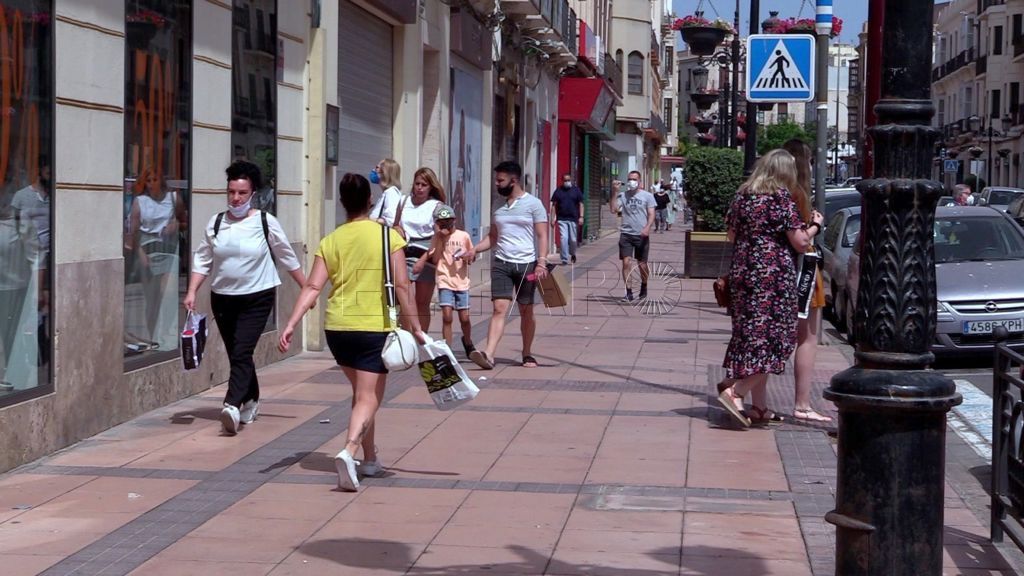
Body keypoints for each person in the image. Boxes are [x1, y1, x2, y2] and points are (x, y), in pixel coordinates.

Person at [279, 173, 425, 492]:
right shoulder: (389, 237)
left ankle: (370, 458)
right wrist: (415, 327)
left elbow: (314, 285)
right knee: (368, 396)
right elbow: (402, 285)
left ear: (343, 204)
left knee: (363, 396)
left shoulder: (331, 240)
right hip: (373, 327)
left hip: (338, 329)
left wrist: (291, 323)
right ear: (370, 202)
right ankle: (349, 450)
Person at [185, 161, 306, 436]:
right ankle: (251, 399)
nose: (235, 198)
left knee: (242, 351)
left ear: (252, 194)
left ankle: (231, 404)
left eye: (241, 193)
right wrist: (192, 290)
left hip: (258, 297)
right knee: (238, 353)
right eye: (231, 192)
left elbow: (287, 255)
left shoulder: (264, 221)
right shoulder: (216, 223)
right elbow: (202, 259)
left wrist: (307, 287)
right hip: (224, 298)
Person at [717, 149, 823, 428]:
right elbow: (800, 242)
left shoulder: (742, 196)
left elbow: (730, 233)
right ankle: (735, 391)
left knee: (750, 339)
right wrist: (814, 227)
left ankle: (759, 407)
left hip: (743, 274)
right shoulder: (780, 198)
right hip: (772, 280)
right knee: (779, 340)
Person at [470, 161, 549, 369]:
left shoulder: (534, 204)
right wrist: (475, 249)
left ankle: (527, 353)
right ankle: (488, 354)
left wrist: (541, 262)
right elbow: (493, 236)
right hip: (502, 263)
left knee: (526, 310)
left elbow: (542, 235)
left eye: (500, 180)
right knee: (499, 308)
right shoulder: (498, 205)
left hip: (527, 265)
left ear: (513, 180)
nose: (496, 184)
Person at [783, 138, 831, 423]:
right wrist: (816, 225)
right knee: (808, 338)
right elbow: (801, 240)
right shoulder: (798, 194)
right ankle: (802, 403)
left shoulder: (776, 193)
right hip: (804, 269)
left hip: (781, 269)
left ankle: (758, 401)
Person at [127, 167, 187, 351]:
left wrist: (176, 224)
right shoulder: (140, 202)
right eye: (148, 180)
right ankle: (153, 336)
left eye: (155, 179)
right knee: (152, 300)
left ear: (161, 180)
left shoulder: (173, 198)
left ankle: (167, 335)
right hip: (148, 251)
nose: (152, 184)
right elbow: (133, 232)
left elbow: (185, 221)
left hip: (169, 250)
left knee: (168, 295)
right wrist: (140, 254)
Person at [414, 204, 476, 354]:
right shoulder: (437, 238)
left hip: (461, 282)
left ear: (453, 220)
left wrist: (467, 258)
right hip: (444, 280)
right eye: (440, 222)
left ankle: (468, 342)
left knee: (464, 318)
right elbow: (435, 258)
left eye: (447, 221)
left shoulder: (463, 236)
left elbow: (471, 256)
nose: (444, 225)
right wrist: (441, 239)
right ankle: (448, 349)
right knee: (447, 316)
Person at [395, 167, 446, 333]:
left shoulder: (436, 206)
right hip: (405, 251)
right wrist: (397, 229)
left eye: (424, 184)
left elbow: (440, 236)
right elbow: (396, 223)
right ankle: (407, 335)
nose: (420, 188)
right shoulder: (404, 202)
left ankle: (422, 339)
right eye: (417, 183)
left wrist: (426, 258)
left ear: (431, 186)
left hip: (427, 253)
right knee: (404, 299)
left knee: (422, 302)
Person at [609, 170, 656, 302]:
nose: (632, 181)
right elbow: (613, 210)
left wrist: (647, 227)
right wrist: (615, 192)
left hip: (641, 234)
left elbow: (652, 214)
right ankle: (628, 292)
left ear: (640, 181)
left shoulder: (647, 196)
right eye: (630, 179)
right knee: (626, 262)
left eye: (635, 179)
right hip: (626, 234)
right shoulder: (623, 196)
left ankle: (644, 285)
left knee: (642, 264)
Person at [550, 173, 584, 265]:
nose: (567, 182)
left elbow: (581, 203)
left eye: (568, 180)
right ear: (562, 181)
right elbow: (553, 204)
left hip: (573, 218)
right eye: (565, 180)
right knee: (564, 238)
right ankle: (564, 258)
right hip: (562, 219)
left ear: (571, 180)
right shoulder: (558, 191)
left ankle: (572, 253)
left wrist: (581, 216)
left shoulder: (576, 190)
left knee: (573, 239)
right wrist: (552, 218)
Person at [368, 158, 404, 227]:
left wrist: (370, 220)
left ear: (385, 173)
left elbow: (391, 220)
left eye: (377, 168)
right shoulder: (387, 193)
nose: (373, 171)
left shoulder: (392, 193)